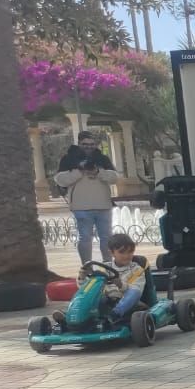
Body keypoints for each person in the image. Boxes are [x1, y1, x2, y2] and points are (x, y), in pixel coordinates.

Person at [54, 231, 146, 329]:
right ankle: (71, 317)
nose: (127, 255)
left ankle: (114, 315)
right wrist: (82, 277)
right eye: (122, 252)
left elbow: (137, 290)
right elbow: (87, 288)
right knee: (91, 293)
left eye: (130, 252)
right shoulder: (104, 268)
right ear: (112, 252)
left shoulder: (137, 270)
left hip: (126, 303)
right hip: (105, 301)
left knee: (135, 292)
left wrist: (121, 285)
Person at [56, 130, 119, 265]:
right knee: (85, 238)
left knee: (107, 238)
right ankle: (87, 266)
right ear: (79, 143)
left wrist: (98, 172)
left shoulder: (102, 159)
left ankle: (108, 265)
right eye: (85, 144)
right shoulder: (69, 159)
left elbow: (114, 178)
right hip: (81, 207)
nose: (88, 147)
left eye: (92, 144)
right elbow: (60, 180)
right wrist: (79, 171)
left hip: (103, 206)